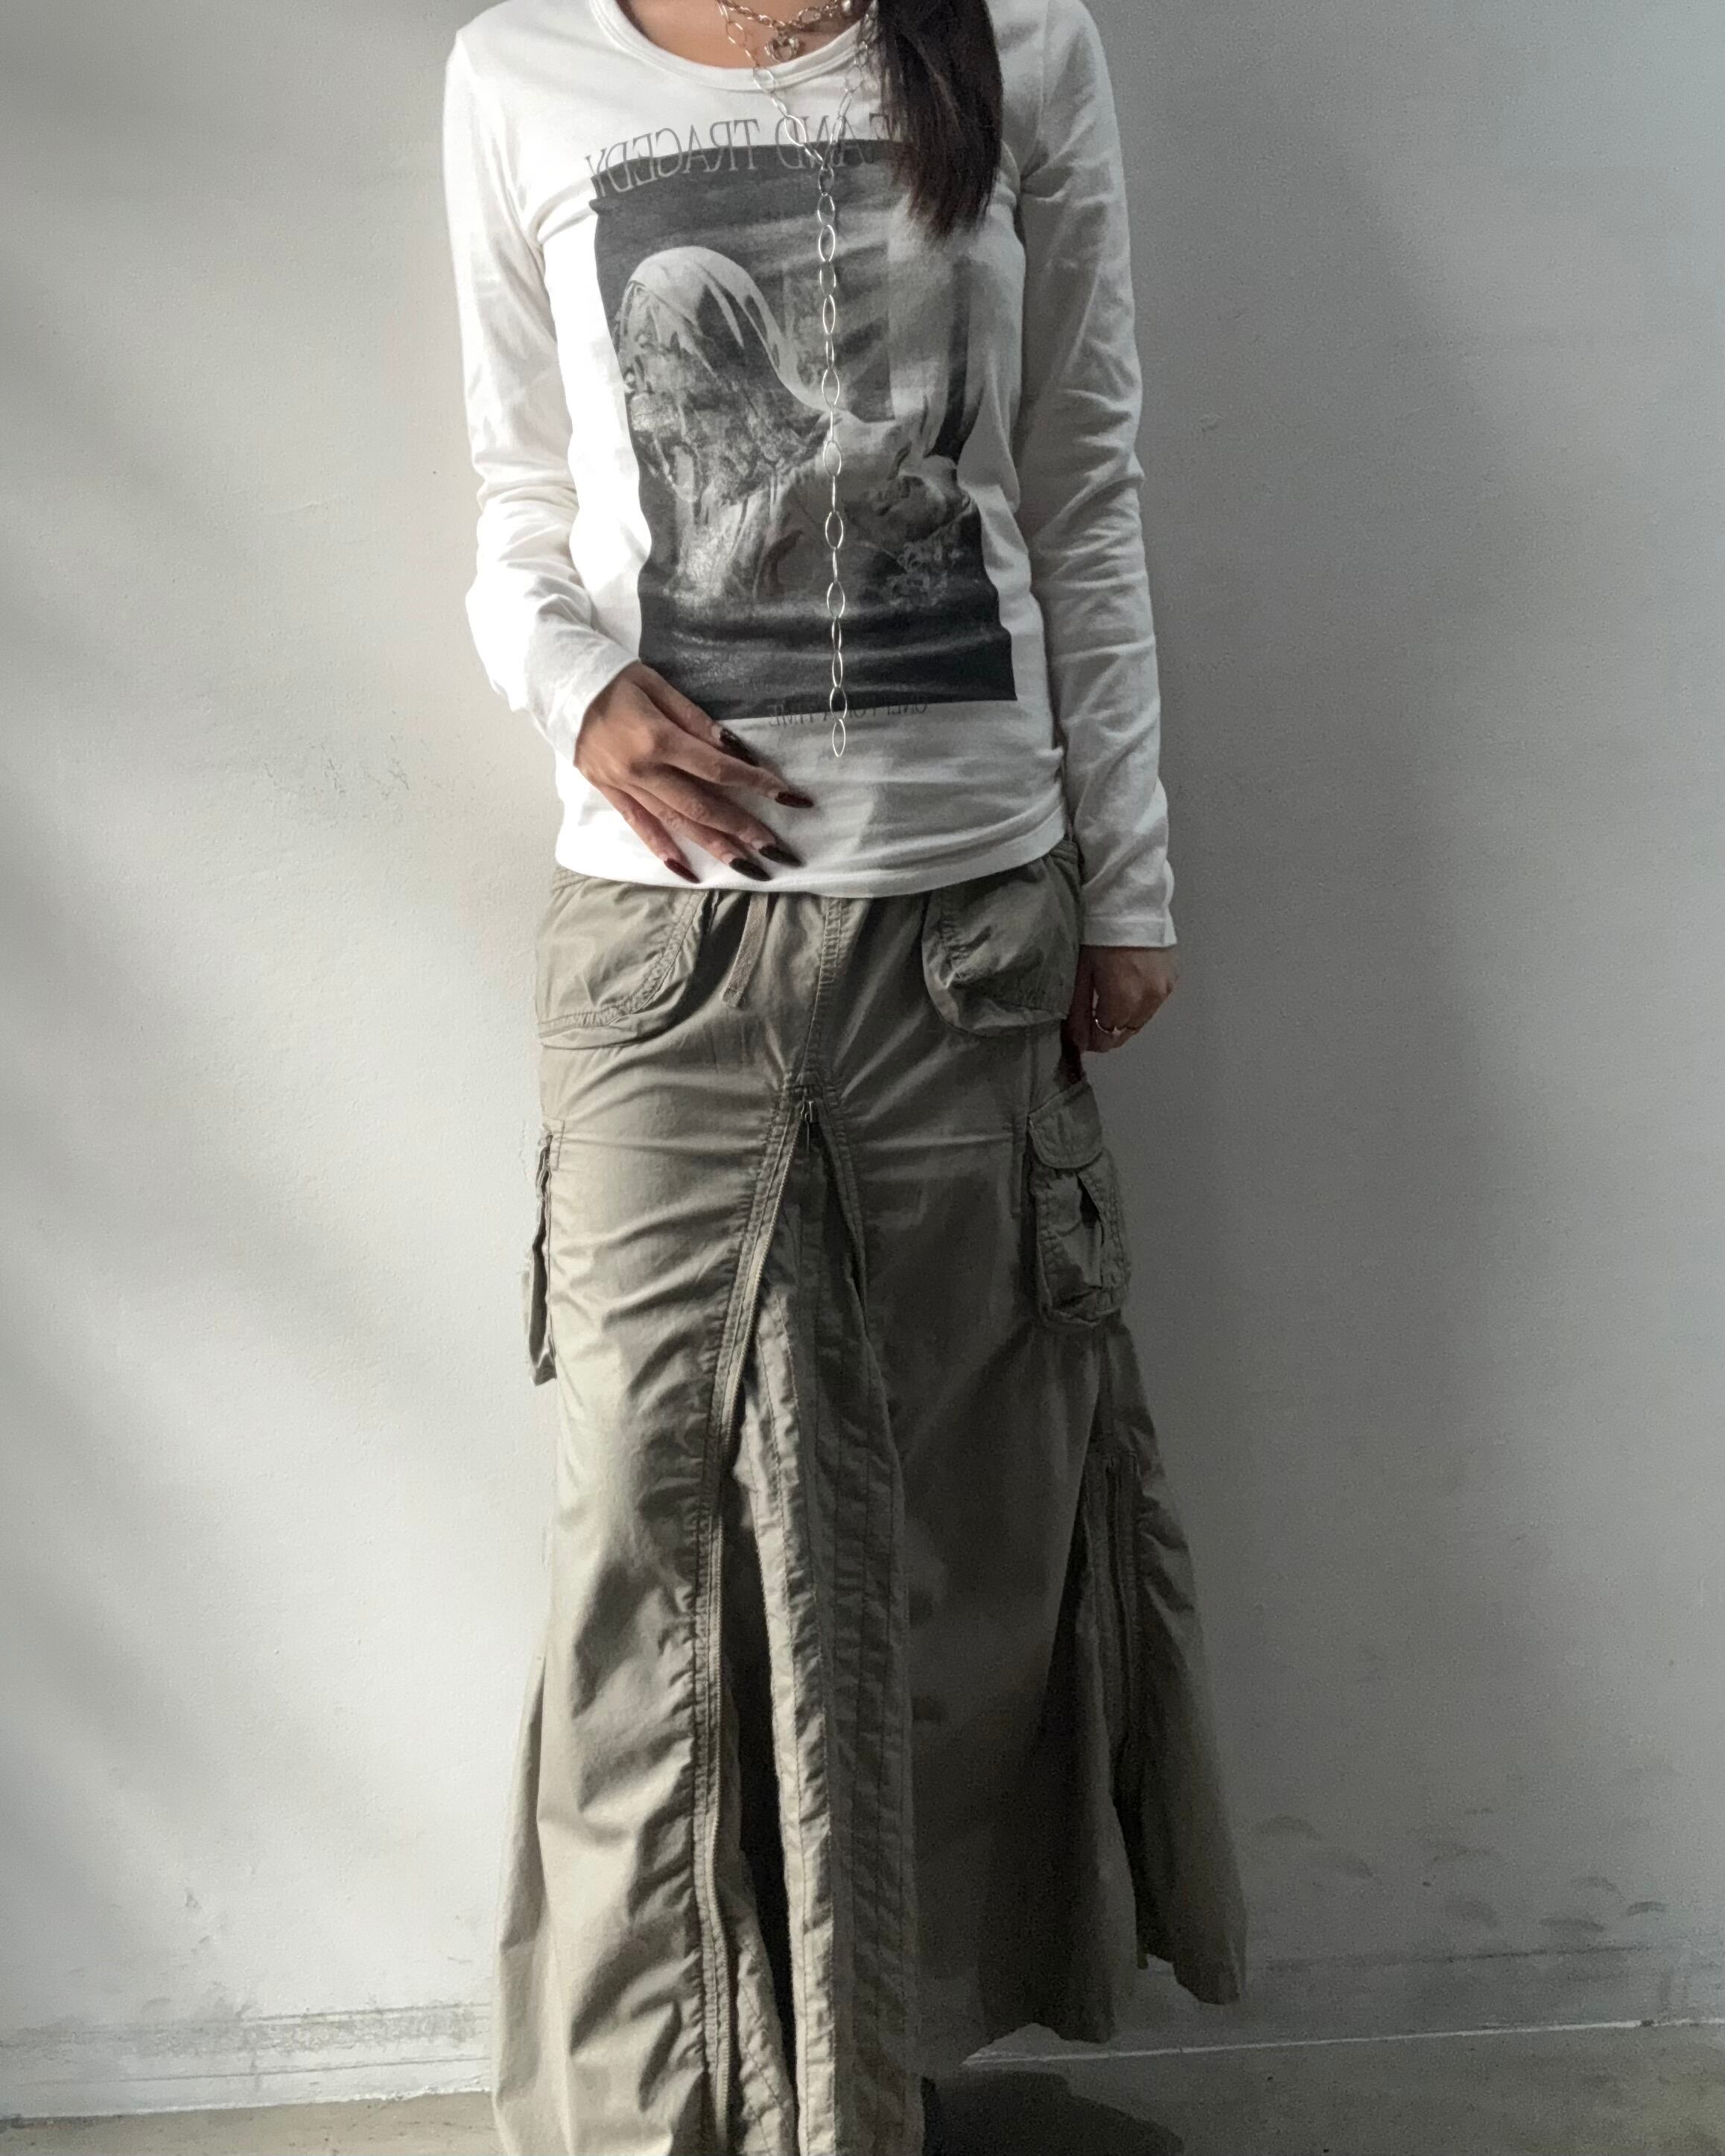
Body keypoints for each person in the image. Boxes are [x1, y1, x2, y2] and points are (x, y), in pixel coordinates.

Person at [441, 0, 1247, 2147]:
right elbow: (520, 497)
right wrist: (574, 684)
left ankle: (870, 2082)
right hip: (661, 950)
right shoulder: (521, 72)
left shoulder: (1020, 46)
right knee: (641, 1538)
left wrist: (1130, 879)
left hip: (966, 922)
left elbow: (1078, 486)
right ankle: (648, 2116)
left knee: (955, 1535)